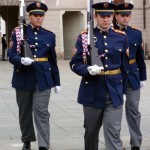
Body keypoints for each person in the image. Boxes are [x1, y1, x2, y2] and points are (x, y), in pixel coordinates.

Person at [70, 2, 129, 150]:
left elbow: (125, 67)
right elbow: (75, 63)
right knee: (91, 132)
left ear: (113, 17)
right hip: (92, 91)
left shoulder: (121, 37)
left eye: (109, 16)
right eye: (102, 16)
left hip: (114, 90)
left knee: (114, 132)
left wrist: (124, 90)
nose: (106, 19)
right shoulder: (85, 37)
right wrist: (87, 69)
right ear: (95, 16)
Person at [8, 2, 60, 150]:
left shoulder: (50, 35)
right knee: (24, 112)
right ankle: (27, 140)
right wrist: (20, 60)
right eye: (35, 15)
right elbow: (11, 55)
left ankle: (44, 144)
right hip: (23, 77)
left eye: (41, 15)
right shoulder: (18, 32)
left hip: (43, 78)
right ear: (29, 16)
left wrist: (57, 81)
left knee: (42, 112)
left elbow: (53, 60)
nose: (38, 18)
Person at [114, 3, 147, 150]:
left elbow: (140, 57)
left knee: (134, 111)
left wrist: (143, 77)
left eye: (127, 15)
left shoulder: (136, 33)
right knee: (115, 112)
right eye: (122, 15)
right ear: (116, 16)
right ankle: (116, 143)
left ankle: (136, 143)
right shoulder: (111, 32)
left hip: (133, 76)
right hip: (115, 77)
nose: (125, 18)